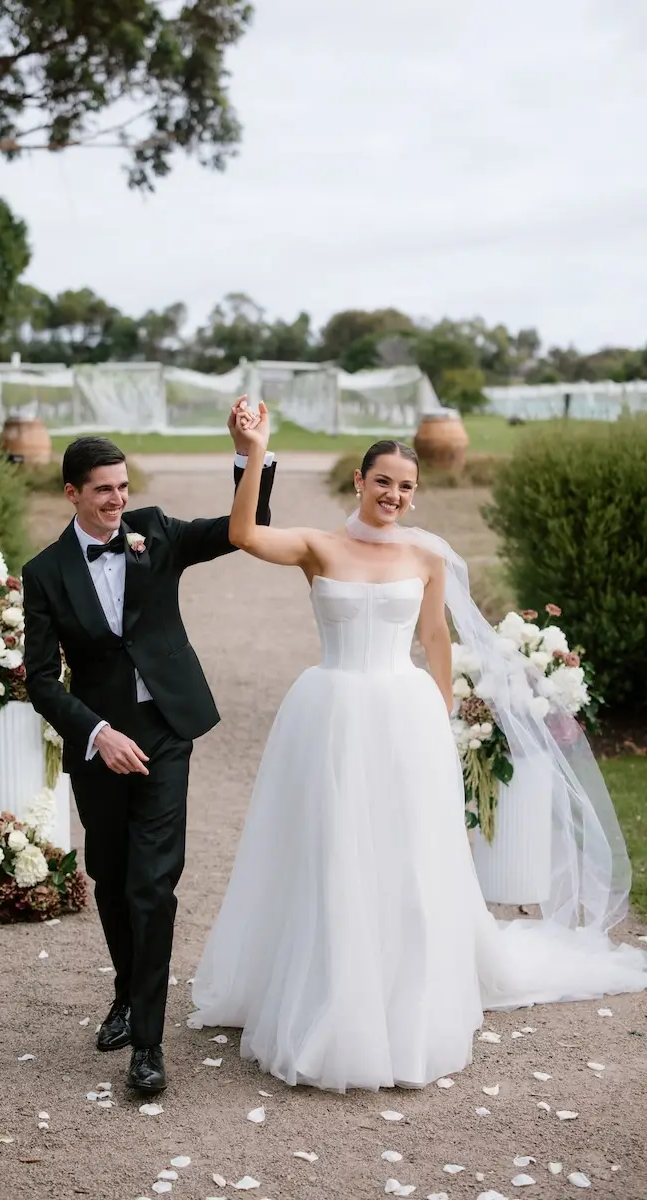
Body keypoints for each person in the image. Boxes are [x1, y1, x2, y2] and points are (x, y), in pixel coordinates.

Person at [191, 403, 647, 1093]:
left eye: (405, 487)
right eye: (383, 482)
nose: (394, 496)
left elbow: (436, 641)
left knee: (402, 853)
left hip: (404, 715)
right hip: (332, 711)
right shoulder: (318, 546)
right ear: (359, 481)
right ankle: (328, 991)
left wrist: (438, 723)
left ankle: (404, 994)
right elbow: (244, 532)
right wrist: (253, 450)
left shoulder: (426, 556)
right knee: (332, 845)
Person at [22, 403, 276, 1094]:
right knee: (109, 870)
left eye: (123, 486)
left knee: (152, 885)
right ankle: (126, 993)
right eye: (103, 489)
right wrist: (97, 735)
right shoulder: (43, 574)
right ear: (71, 493)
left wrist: (250, 454)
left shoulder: (154, 533)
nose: (118, 500)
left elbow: (240, 531)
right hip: (99, 740)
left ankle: (148, 1046)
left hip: (165, 730)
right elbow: (42, 681)